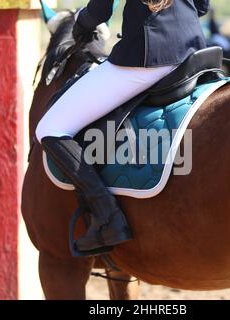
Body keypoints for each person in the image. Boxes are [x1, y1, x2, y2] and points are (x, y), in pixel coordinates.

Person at [35, 0, 209, 256]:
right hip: (194, 49)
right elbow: (202, 7)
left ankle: (107, 217)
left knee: (49, 127)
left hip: (148, 57)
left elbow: (101, 10)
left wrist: (82, 23)